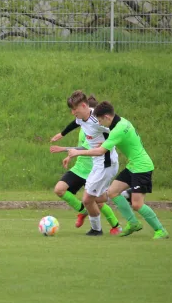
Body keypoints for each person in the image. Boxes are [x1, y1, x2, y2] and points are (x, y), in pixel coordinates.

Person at [68, 101, 169, 239]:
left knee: (137, 205)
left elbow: (100, 152)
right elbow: (117, 138)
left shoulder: (118, 130)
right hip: (133, 165)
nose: (100, 124)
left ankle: (161, 230)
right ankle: (133, 223)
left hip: (142, 167)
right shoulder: (122, 122)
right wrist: (106, 142)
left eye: (100, 120)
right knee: (113, 192)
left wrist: (77, 152)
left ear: (107, 117)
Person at [51, 92, 122, 236]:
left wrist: (109, 143)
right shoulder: (81, 118)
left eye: (74, 109)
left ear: (84, 105)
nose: (73, 112)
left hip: (106, 163)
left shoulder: (97, 120)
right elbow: (75, 123)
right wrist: (62, 134)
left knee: (90, 199)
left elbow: (118, 128)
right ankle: (97, 228)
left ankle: (120, 195)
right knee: (89, 199)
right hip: (97, 163)